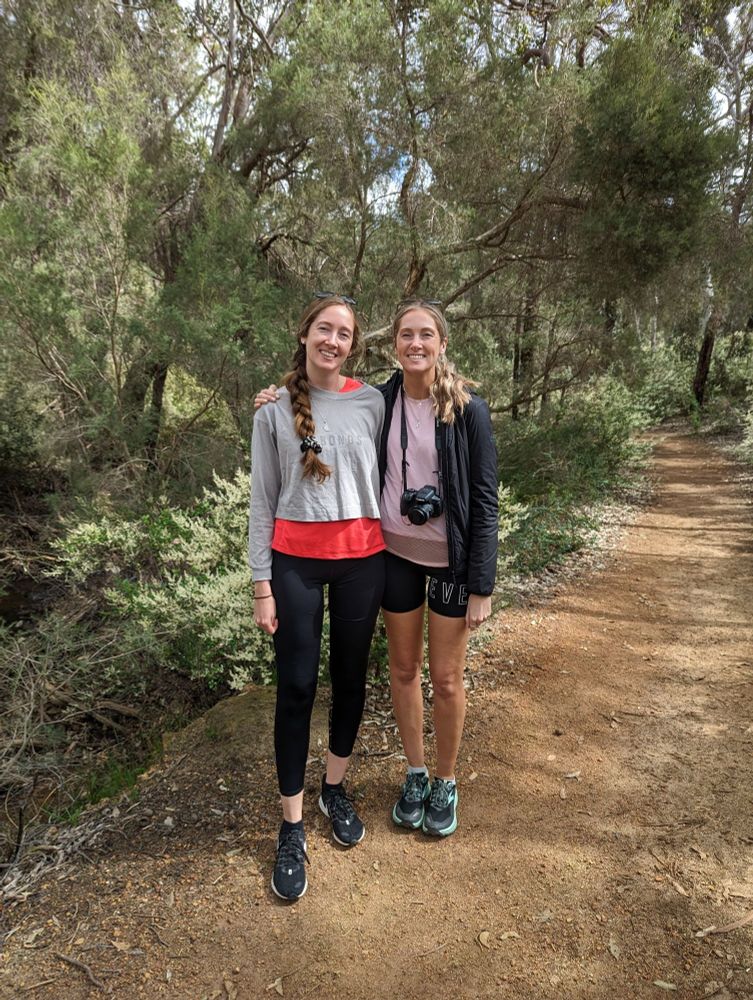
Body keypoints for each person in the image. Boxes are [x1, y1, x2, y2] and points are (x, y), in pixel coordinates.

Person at [255, 297, 498, 840]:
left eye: (426, 335)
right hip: (392, 554)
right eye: (406, 335)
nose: (416, 344)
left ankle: (445, 779)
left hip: (452, 562)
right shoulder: (381, 398)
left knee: (447, 678)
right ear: (394, 346)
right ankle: (415, 774)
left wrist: (482, 584)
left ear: (442, 344)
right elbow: (320, 405)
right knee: (404, 671)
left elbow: (484, 500)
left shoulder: (468, 410)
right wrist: (273, 398)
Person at [249, 294, 386, 901]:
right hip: (295, 567)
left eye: (345, 333)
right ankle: (292, 825)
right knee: (298, 688)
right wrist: (260, 583)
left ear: (353, 344)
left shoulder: (372, 402)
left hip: (364, 561)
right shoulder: (273, 411)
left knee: (351, 679)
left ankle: (334, 787)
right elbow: (261, 500)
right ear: (304, 334)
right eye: (324, 329)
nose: (333, 340)